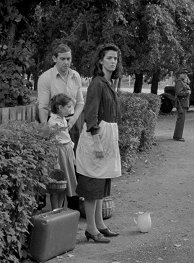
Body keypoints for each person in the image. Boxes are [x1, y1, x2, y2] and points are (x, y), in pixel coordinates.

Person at [75, 43, 123, 243]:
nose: (113, 61)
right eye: (109, 58)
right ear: (100, 60)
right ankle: (91, 229)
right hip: (97, 137)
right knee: (93, 185)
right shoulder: (97, 82)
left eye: (115, 58)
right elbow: (91, 115)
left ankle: (100, 225)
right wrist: (97, 143)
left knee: (102, 184)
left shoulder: (106, 82)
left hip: (107, 136)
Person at [37, 43, 84, 210]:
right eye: (63, 59)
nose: (66, 62)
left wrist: (73, 120)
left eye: (69, 58)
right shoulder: (45, 78)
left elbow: (80, 102)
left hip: (73, 122)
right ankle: (57, 209)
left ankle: (74, 206)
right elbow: (43, 106)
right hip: (55, 125)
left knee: (75, 163)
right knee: (59, 169)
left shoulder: (76, 76)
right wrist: (47, 129)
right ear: (54, 59)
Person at [47, 93, 78, 209]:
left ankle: (59, 209)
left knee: (65, 185)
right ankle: (55, 210)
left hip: (66, 152)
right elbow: (52, 143)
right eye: (68, 107)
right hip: (59, 154)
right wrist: (55, 162)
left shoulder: (63, 119)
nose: (71, 109)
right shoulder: (53, 122)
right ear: (60, 107)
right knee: (57, 185)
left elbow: (66, 138)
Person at [173, 73, 191, 142]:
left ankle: (177, 135)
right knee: (181, 120)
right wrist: (187, 92)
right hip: (181, 103)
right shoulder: (179, 82)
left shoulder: (183, 82)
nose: (185, 75)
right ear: (180, 75)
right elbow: (178, 93)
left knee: (181, 120)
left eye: (185, 74)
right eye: (183, 73)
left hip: (183, 103)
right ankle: (178, 136)